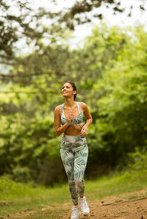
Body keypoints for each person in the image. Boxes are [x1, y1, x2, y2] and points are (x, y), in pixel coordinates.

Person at [54, 82, 93, 219]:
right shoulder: (58, 109)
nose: (63, 88)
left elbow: (89, 118)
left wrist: (86, 127)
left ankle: (82, 198)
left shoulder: (82, 106)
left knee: (78, 178)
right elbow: (57, 132)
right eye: (63, 87)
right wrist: (67, 124)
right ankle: (75, 207)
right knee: (71, 180)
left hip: (81, 145)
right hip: (66, 147)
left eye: (67, 87)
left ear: (74, 92)